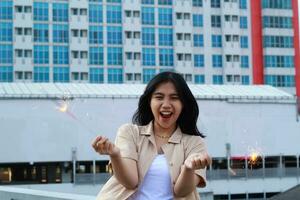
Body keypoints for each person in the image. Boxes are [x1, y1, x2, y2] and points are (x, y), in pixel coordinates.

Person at [92, 71, 211, 200]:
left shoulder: (195, 143)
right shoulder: (130, 132)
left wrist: (189, 168)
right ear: (149, 102)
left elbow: (181, 191)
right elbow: (130, 182)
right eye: (159, 97)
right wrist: (115, 155)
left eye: (174, 98)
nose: (166, 104)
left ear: (183, 104)